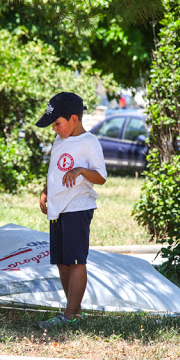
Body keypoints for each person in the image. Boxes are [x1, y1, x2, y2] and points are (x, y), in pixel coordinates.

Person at [35, 92, 107, 328]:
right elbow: (55, 171)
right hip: (58, 210)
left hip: (78, 207)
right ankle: (74, 313)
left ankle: (68, 316)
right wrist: (46, 190)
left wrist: (81, 171)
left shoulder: (89, 143)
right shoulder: (60, 140)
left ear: (74, 119)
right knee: (63, 262)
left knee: (76, 261)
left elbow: (101, 177)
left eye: (57, 123)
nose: (54, 129)